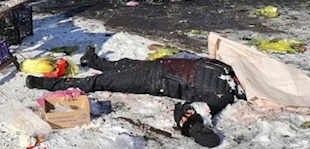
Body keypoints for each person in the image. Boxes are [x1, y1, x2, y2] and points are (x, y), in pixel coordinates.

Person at [26, 46, 246, 148]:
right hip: (161, 65)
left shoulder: (224, 93)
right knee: (122, 65)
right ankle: (92, 60)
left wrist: (200, 132)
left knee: (100, 82)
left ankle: (45, 83)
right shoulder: (227, 70)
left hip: (156, 79)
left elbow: (193, 111)